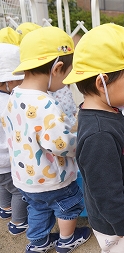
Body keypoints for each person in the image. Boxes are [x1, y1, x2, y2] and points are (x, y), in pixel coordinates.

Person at [1, 26, 91, 253]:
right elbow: (60, 145)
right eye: (68, 74)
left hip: (24, 178)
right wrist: (79, 139)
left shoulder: (13, 96)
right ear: (57, 68)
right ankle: (67, 239)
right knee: (68, 207)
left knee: (38, 209)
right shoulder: (45, 103)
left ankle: (38, 243)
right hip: (52, 178)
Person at [63, 23, 124, 253]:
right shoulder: (98, 135)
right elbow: (105, 191)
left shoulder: (107, 109)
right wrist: (123, 223)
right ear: (102, 83)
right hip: (116, 223)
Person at [0, 43, 28, 235]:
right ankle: (18, 222)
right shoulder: (9, 102)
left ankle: (5, 208)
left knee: (2, 185)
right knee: (18, 190)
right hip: (6, 161)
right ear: (6, 82)